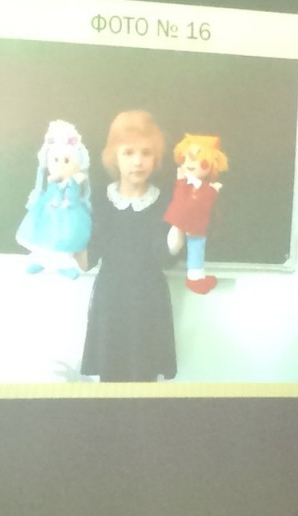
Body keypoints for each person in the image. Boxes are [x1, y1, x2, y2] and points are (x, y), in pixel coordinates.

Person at [79, 110, 177, 382]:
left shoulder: (165, 202)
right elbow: (88, 259)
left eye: (146, 153)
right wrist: (64, 231)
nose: (138, 161)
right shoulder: (99, 201)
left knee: (145, 382)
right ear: (115, 157)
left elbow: (166, 258)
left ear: (155, 158)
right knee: (109, 384)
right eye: (128, 152)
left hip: (149, 303)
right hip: (110, 302)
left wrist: (183, 225)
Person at [15, 119, 92, 279]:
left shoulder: (76, 179)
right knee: (42, 235)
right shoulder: (51, 179)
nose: (61, 165)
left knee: (65, 239)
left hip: (68, 213)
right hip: (48, 212)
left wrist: (69, 183)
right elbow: (48, 192)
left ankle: (63, 265)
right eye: (56, 160)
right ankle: (41, 260)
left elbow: (74, 195)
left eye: (67, 161)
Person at [163, 133, 229, 295]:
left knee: (195, 246)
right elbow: (186, 197)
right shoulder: (192, 185)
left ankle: (195, 277)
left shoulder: (204, 187)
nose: (189, 164)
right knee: (191, 243)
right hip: (187, 219)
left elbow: (205, 202)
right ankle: (195, 277)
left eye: (196, 159)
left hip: (192, 221)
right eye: (185, 159)